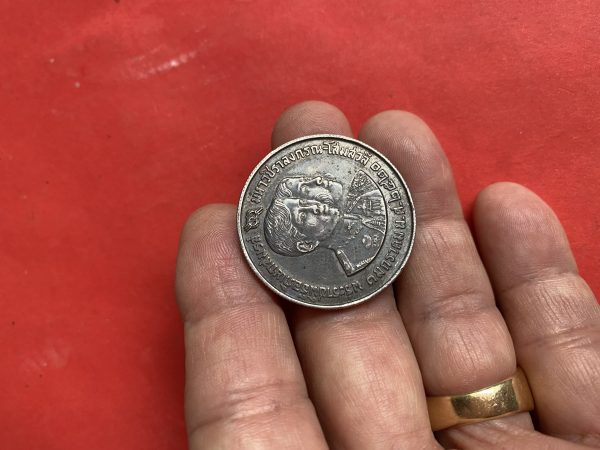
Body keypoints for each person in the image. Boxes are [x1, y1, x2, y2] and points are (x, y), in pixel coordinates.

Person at [175, 101, 600, 449]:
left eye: (308, 198)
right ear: (305, 245)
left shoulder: (368, 223)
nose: (316, 204)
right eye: (304, 213)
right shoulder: (349, 257)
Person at [264, 171, 386, 275]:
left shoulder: (366, 193)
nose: (314, 207)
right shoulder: (356, 263)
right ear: (307, 244)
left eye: (304, 202)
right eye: (303, 216)